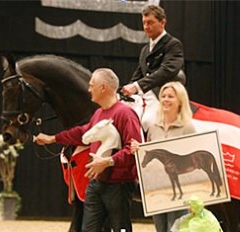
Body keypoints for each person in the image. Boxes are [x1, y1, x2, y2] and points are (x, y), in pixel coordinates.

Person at [34, 68, 142, 232]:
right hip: (97, 183)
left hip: (118, 186)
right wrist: (53, 138)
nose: (89, 89)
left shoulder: (125, 114)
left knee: (121, 228)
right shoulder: (99, 113)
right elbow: (83, 133)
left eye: (92, 85)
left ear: (103, 88)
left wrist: (108, 161)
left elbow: (134, 150)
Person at [131, 81, 196, 232]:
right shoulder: (153, 127)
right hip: (157, 191)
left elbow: (193, 163)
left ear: (180, 101)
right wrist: (138, 150)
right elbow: (150, 156)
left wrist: (194, 197)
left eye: (171, 96)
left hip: (180, 192)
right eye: (163, 96)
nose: (166, 99)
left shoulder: (188, 128)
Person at [121, 4, 185, 131]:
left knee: (148, 121)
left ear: (162, 22)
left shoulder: (173, 45)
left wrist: (137, 86)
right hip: (144, 94)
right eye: (144, 23)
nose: (146, 27)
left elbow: (167, 70)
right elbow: (137, 76)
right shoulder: (145, 50)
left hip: (161, 95)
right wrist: (122, 93)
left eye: (150, 22)